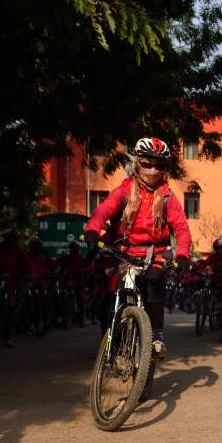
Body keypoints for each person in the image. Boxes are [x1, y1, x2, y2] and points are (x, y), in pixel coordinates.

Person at [84, 137, 192, 359]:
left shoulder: (168, 197)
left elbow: (181, 227)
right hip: (126, 253)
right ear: (137, 163)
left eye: (159, 166)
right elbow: (103, 211)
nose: (153, 170)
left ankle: (156, 336)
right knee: (114, 295)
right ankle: (112, 337)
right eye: (147, 164)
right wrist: (93, 229)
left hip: (156, 254)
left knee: (154, 288)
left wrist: (182, 255)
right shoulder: (123, 190)